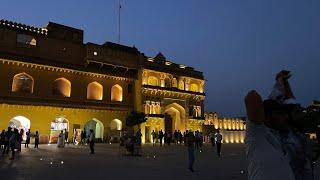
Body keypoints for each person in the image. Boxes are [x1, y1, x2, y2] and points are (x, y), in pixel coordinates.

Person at [244, 90, 313, 180]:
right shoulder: (257, 135)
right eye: (280, 113)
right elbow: (252, 97)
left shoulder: (280, 141)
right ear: (266, 116)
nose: (285, 117)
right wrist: (278, 88)